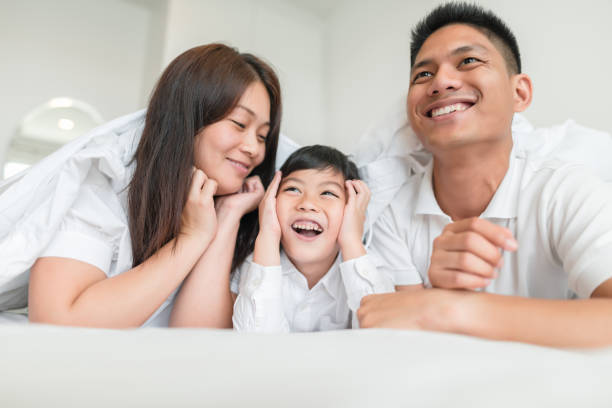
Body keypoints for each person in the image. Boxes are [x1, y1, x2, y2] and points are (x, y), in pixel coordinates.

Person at [357, 3, 612, 347]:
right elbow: (395, 332)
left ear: (519, 93)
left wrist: (452, 309)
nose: (441, 82)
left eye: (468, 61)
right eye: (423, 75)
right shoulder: (391, 218)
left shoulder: (564, 191)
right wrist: (437, 299)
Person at [0, 43, 282, 328]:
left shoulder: (244, 216)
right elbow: (58, 322)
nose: (253, 149)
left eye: (262, 136)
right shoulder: (103, 184)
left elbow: (196, 339)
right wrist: (191, 238)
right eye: (239, 123)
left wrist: (227, 217)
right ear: (190, 117)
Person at [216, 145, 394, 332]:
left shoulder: (372, 269)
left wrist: (351, 239)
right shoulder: (257, 265)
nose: (307, 204)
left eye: (327, 193)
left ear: (352, 210)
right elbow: (256, 345)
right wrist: (267, 234)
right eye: (293, 189)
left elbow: (381, 340)